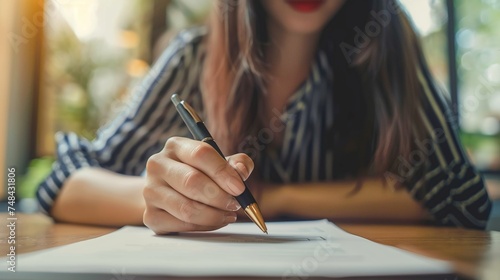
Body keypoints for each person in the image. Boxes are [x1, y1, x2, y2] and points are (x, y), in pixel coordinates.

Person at [36, 0, 491, 233]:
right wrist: (159, 198)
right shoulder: (193, 58)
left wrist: (278, 196)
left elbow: (461, 198)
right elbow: (64, 184)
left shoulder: (386, 54)